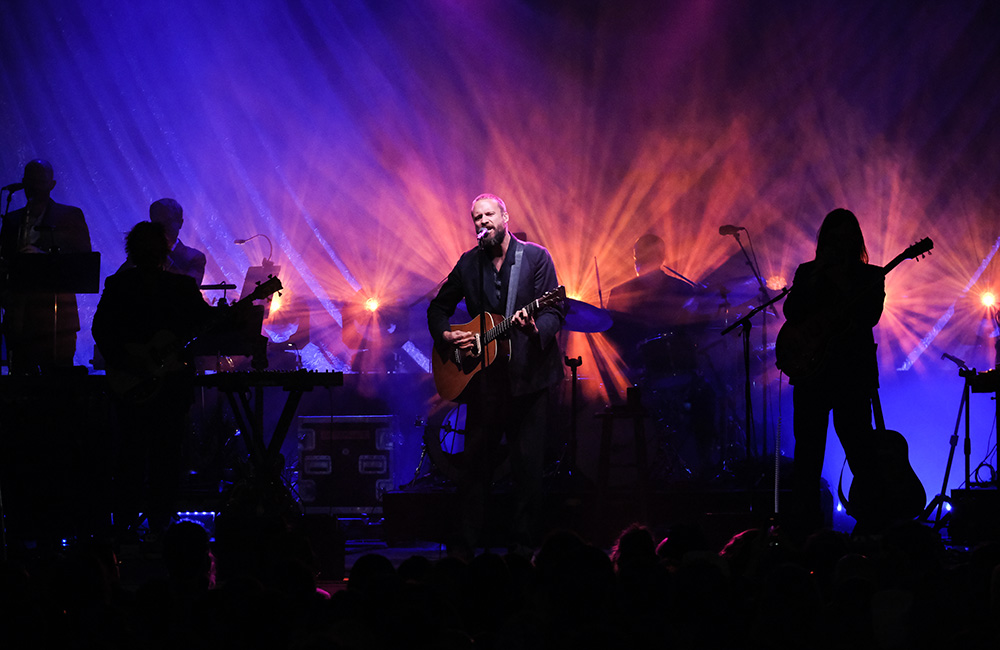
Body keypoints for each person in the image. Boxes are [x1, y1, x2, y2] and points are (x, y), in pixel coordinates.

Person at [427, 193, 564, 557]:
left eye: (488, 215)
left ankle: (521, 550)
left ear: (504, 216)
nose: (481, 222)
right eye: (476, 218)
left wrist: (536, 330)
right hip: (485, 384)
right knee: (474, 471)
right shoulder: (469, 263)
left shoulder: (535, 257)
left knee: (527, 472)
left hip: (528, 380)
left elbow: (555, 310)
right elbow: (439, 307)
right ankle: (464, 551)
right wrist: (446, 335)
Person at [93, 220, 214, 539]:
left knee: (130, 455)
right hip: (170, 388)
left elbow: (101, 331)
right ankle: (161, 524)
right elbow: (208, 326)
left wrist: (127, 363)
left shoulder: (118, 285)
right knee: (166, 455)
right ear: (164, 251)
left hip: (129, 385)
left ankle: (124, 526)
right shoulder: (181, 288)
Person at [780, 208, 885, 536]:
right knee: (807, 452)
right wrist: (814, 277)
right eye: (832, 238)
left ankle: (871, 524)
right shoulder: (808, 271)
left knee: (858, 447)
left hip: (850, 374)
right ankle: (805, 529)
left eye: (844, 239)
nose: (838, 245)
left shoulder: (870, 277)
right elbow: (791, 312)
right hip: (812, 374)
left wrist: (839, 279)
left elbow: (869, 317)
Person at [0, 159, 92, 373]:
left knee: (57, 381)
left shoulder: (69, 215)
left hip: (57, 319)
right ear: (23, 182)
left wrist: (43, 258)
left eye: (40, 180)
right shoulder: (13, 220)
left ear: (52, 184)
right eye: (30, 180)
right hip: (20, 316)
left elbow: (83, 260)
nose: (34, 185)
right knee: (21, 380)